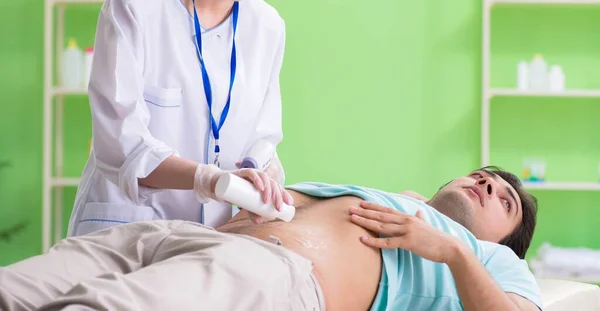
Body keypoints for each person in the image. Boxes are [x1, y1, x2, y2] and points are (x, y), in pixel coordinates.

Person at [67, 0, 307, 237]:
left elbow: (263, 136)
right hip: (128, 226)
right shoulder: (134, 7)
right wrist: (208, 179)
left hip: (214, 234)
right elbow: (120, 144)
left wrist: (257, 173)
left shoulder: (268, 27)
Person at [2, 166, 541, 310]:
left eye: (505, 200)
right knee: (26, 286)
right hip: (189, 237)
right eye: (482, 176)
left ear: (509, 240)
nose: (488, 183)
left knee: (108, 308)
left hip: (274, 276)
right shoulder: (388, 197)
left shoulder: (493, 262)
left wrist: (449, 251)